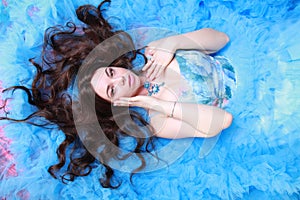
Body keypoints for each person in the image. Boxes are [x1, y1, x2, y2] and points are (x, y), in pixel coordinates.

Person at [0, 0, 234, 188]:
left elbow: (221, 39)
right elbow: (222, 121)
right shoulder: (158, 120)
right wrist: (161, 105)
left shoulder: (155, 52)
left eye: (111, 71)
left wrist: (172, 43)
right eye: (112, 89)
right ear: (115, 104)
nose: (121, 78)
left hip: (251, 59)